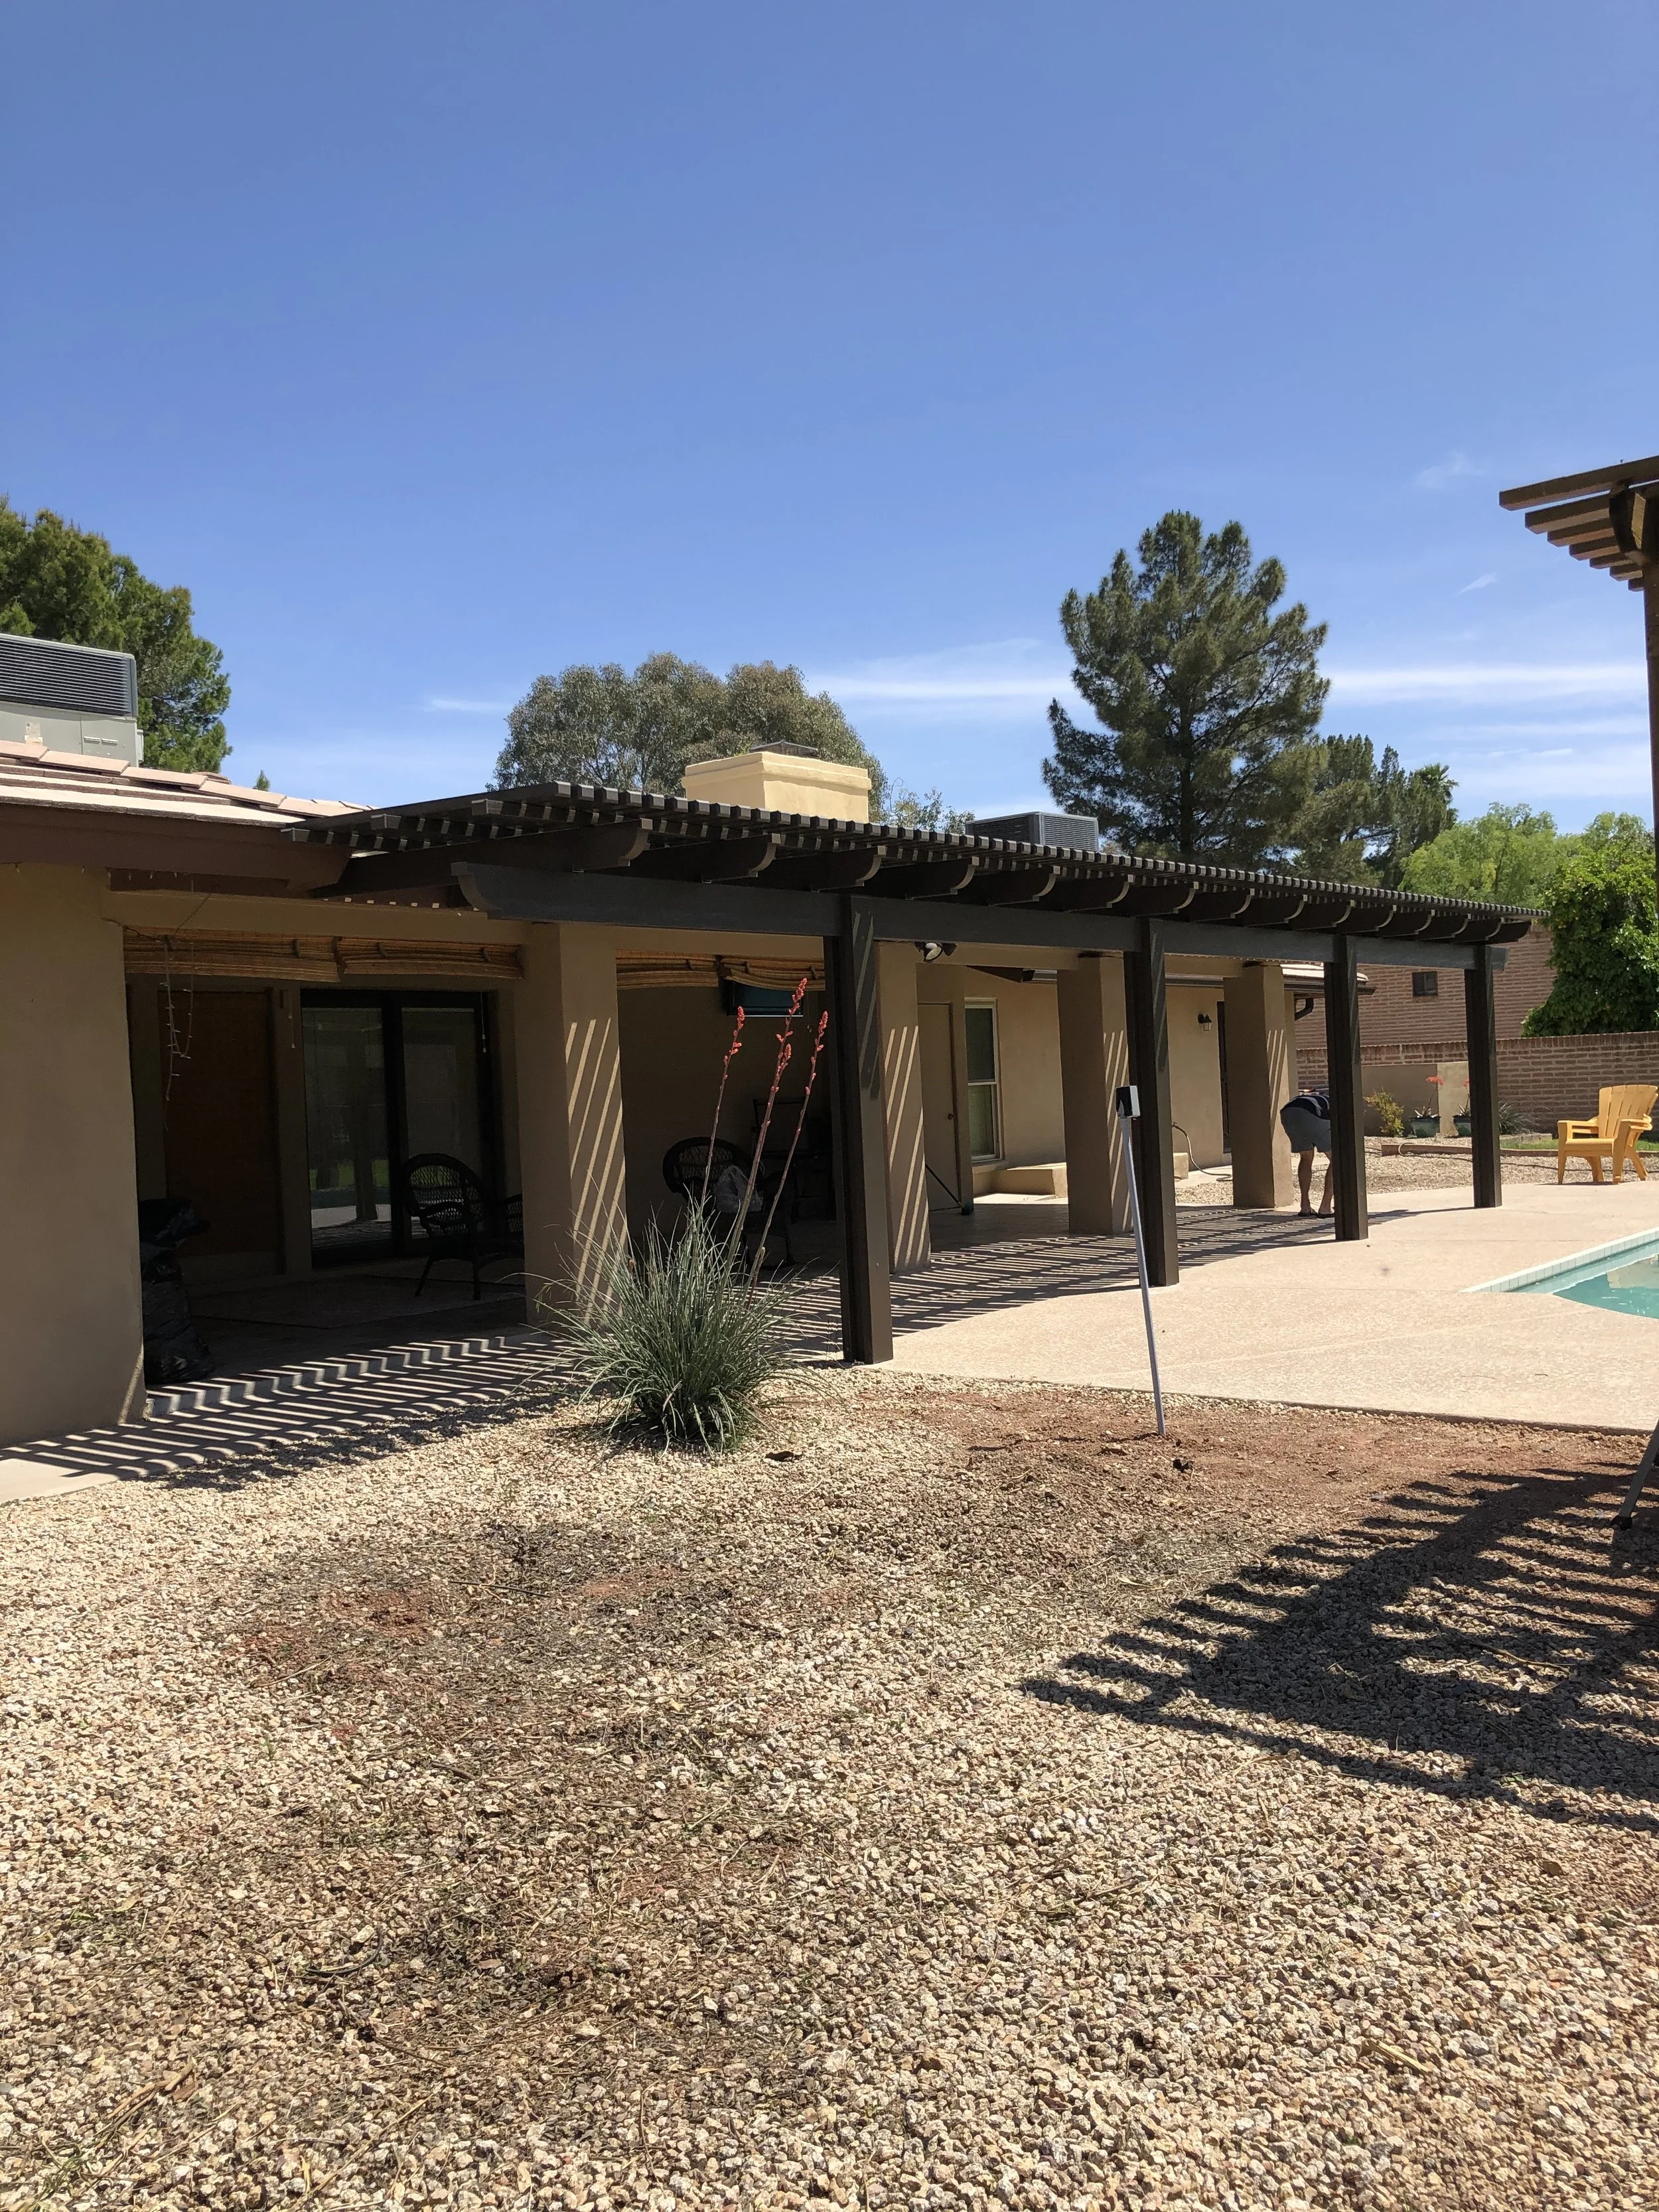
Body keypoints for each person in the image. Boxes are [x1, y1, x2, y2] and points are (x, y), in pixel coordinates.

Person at [1280, 1088, 1334, 1217]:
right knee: (1337, 1159)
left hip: (1288, 1112)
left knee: (1306, 1156)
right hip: (1312, 1113)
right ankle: (1325, 1207)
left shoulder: (1319, 1099)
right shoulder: (1337, 1104)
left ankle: (1305, 1206)